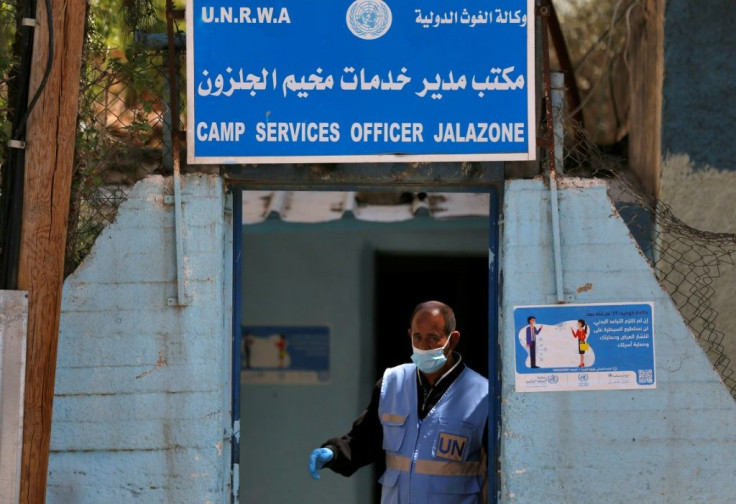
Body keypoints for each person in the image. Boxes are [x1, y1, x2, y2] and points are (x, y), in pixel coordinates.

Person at [308, 301, 488, 503]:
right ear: (410, 335)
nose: (424, 346)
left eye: (433, 338)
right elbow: (365, 440)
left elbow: (499, 466)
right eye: (418, 337)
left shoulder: (482, 395)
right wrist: (333, 452)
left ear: (452, 340)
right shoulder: (392, 384)